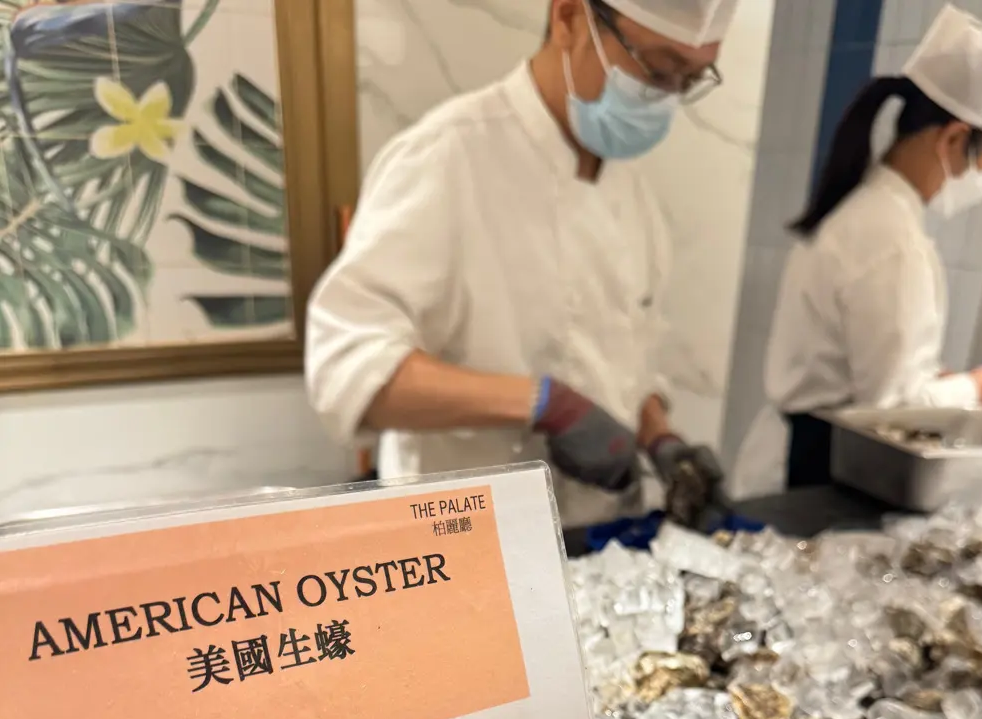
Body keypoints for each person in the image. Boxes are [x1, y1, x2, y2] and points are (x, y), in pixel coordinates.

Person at [305, 0, 737, 533]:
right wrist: (545, 404)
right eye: (657, 69)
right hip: (465, 535)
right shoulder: (447, 157)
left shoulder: (631, 191)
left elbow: (628, 359)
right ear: (569, 19)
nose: (666, 97)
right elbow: (347, 370)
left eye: (688, 80)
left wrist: (661, 439)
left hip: (600, 535)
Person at [731, 4, 982, 499]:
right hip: (813, 475)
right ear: (954, 138)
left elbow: (871, 370)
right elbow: (894, 413)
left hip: (800, 458)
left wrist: (948, 379)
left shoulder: (870, 212)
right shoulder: (889, 241)